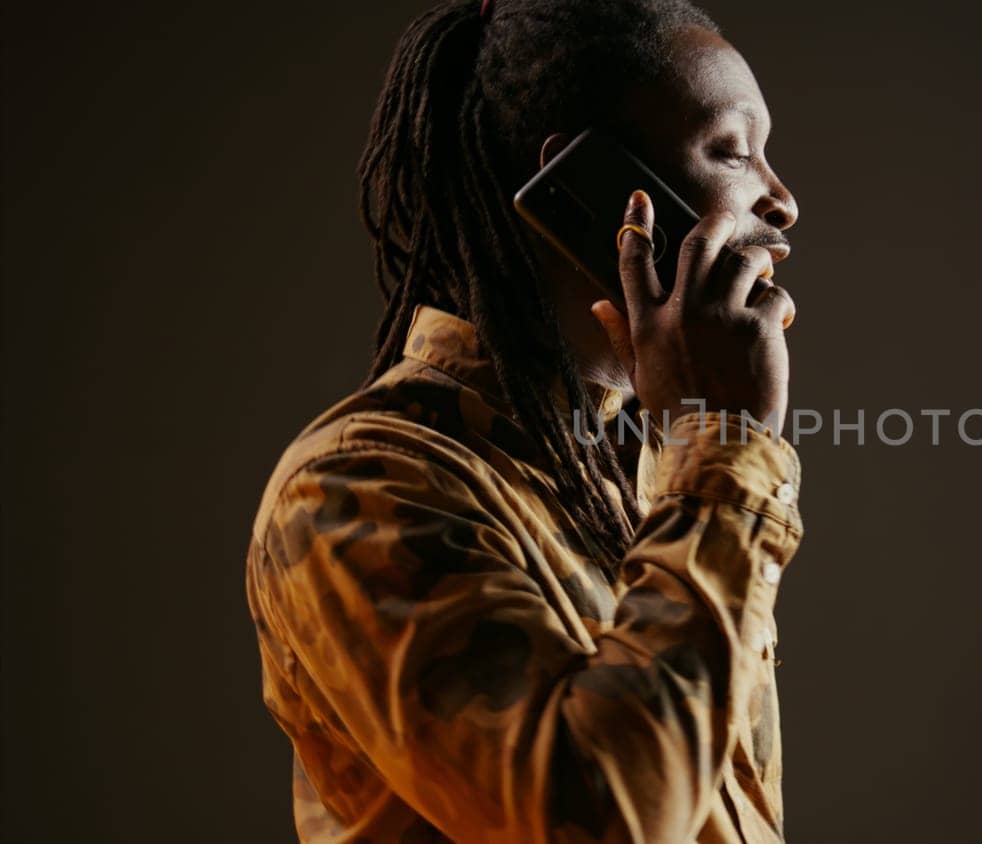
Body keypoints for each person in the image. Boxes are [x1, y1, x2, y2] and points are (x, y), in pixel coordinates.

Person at [243, 1, 804, 840]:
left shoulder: (641, 482)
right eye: (730, 150)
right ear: (595, 187)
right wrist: (723, 451)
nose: (783, 200)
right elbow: (604, 817)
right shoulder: (358, 483)